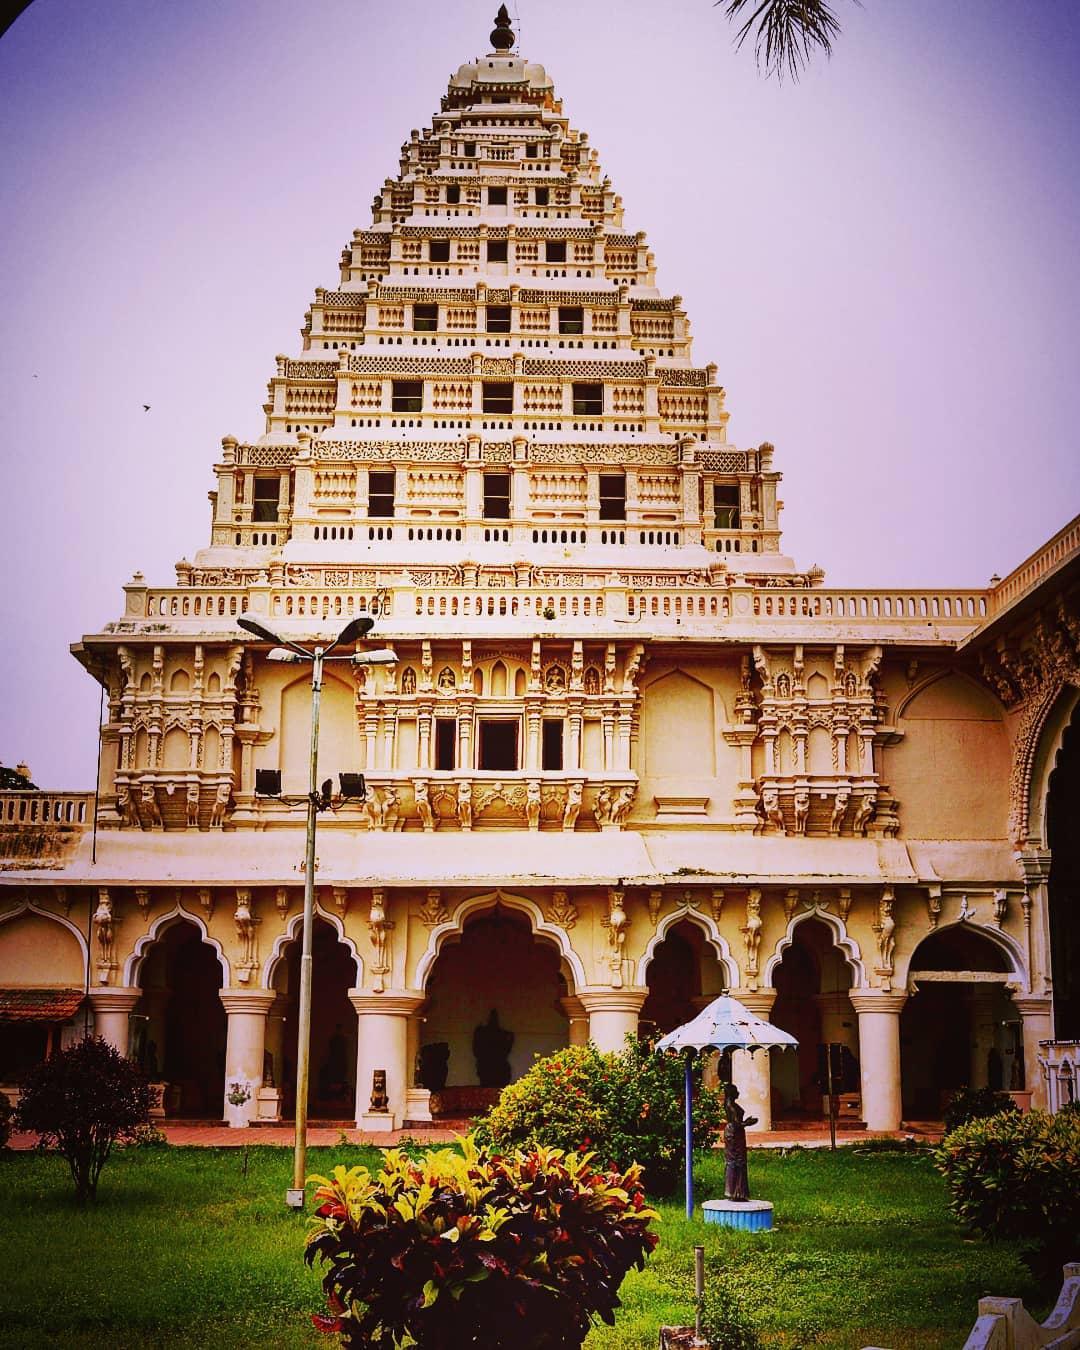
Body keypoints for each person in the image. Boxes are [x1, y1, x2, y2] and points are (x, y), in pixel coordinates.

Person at [723, 1082, 757, 1202]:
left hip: (736, 1133)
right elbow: (737, 1123)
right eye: (736, 1091)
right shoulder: (730, 1105)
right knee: (735, 1160)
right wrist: (748, 1123)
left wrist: (745, 1123)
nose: (738, 1093)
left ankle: (739, 1191)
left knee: (739, 1160)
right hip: (734, 1133)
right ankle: (734, 1191)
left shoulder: (732, 1104)